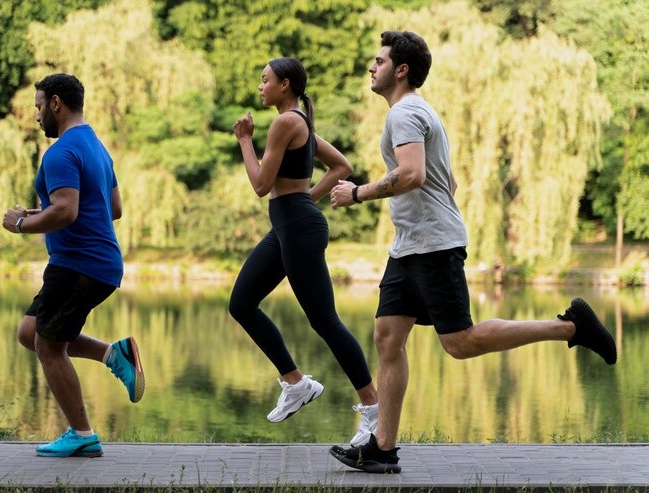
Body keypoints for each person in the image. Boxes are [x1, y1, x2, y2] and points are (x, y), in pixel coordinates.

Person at [328, 31, 617, 473]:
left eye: (379, 61)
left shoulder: (405, 113)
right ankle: (383, 447)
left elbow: (412, 174)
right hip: (410, 245)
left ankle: (571, 327)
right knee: (387, 336)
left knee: (460, 343)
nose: (372, 66)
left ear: (401, 70)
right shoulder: (417, 111)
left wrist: (357, 193)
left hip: (432, 245)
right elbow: (449, 181)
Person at [230, 57, 379, 446]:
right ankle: (296, 383)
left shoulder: (285, 122)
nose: (260, 86)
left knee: (325, 321)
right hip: (288, 226)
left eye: (265, 80)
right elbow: (341, 166)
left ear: (285, 85)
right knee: (241, 303)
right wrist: (305, 200)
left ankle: (374, 408)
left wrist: (244, 140)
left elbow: (261, 184)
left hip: (297, 228)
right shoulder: (301, 124)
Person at [2, 73, 145, 458]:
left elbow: (66, 210)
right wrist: (41, 212)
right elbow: (113, 208)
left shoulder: (60, 152)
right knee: (30, 331)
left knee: (48, 347)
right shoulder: (96, 147)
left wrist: (21, 224)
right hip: (97, 263)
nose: (36, 116)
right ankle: (113, 354)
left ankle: (82, 434)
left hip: (78, 265)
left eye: (38, 107)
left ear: (56, 103)